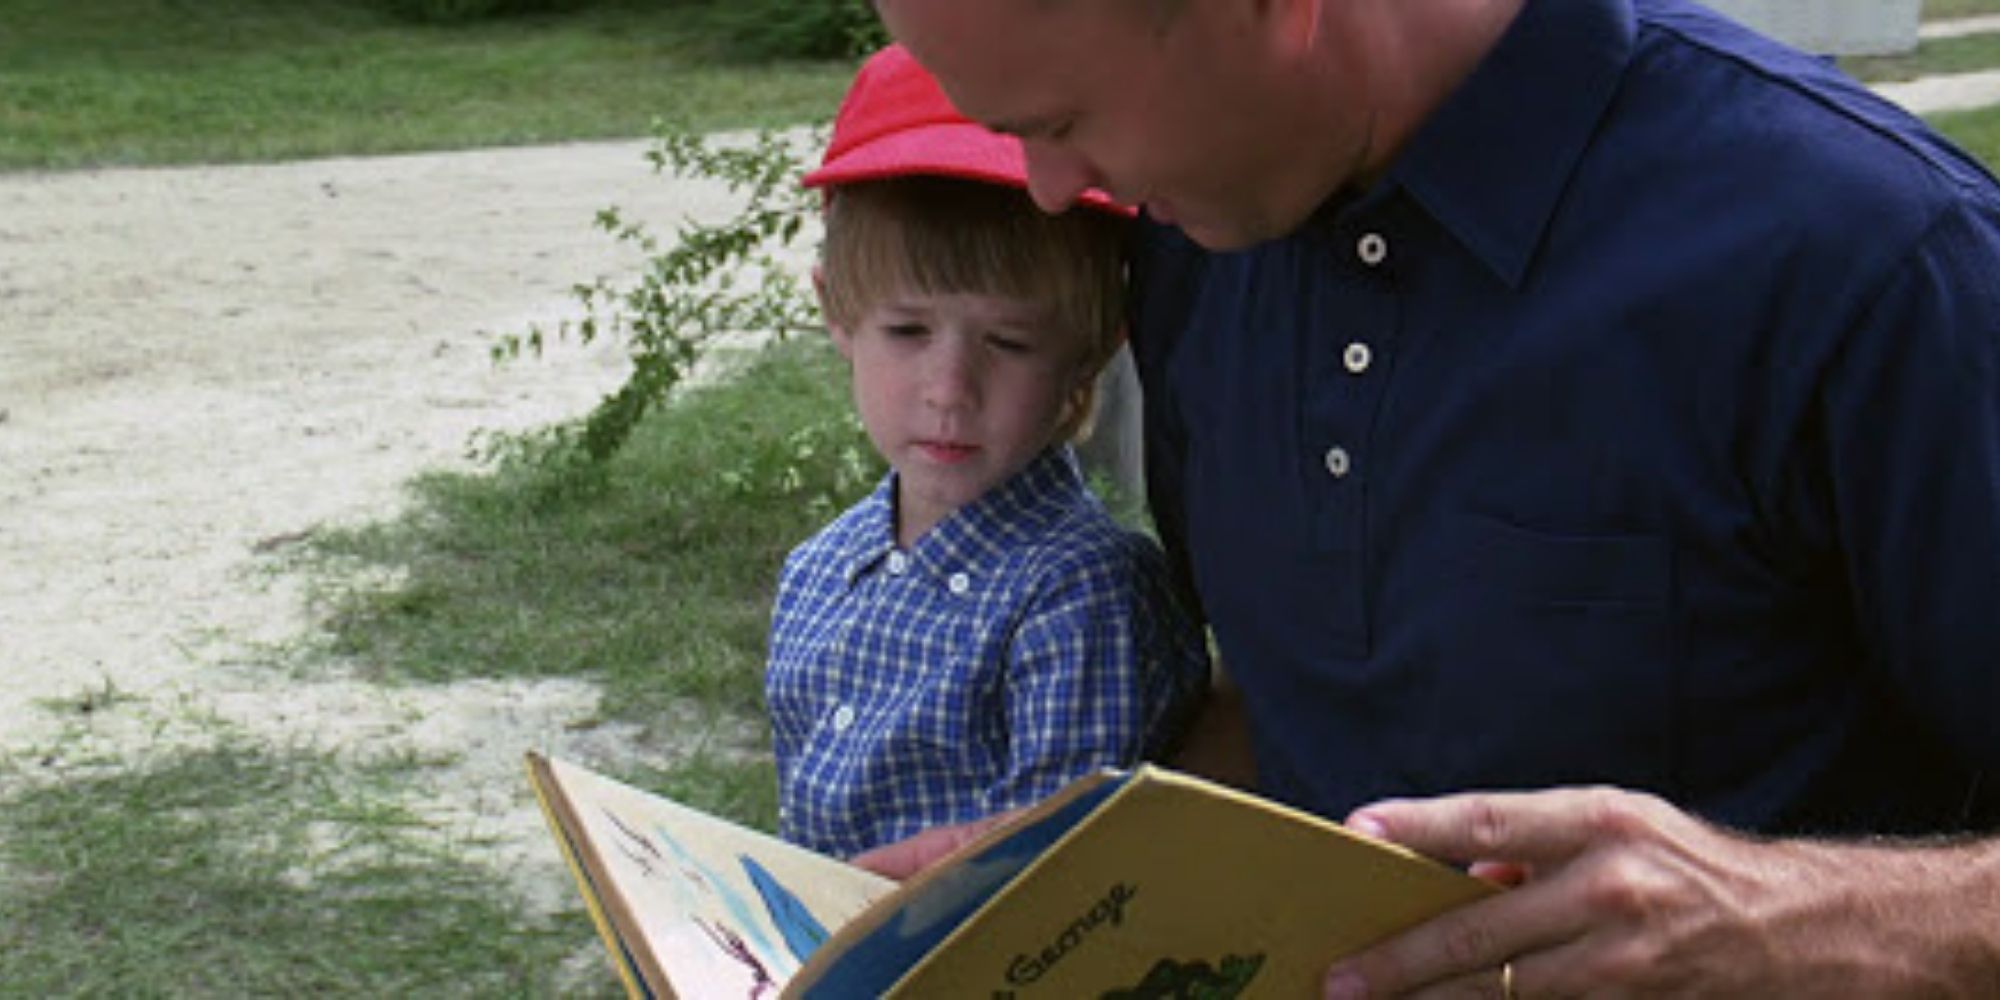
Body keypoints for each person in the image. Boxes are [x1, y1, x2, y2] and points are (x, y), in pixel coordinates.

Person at [863, 0, 2000, 994]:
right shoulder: (1200, 243)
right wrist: (1064, 874)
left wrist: (1798, 914)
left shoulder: (1875, 259)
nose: (1055, 195)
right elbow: (1297, 702)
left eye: (1058, 125)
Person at [763, 43, 1211, 860]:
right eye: (906, 331)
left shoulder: (1079, 599)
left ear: (1091, 349)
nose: (949, 389)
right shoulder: (819, 571)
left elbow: (1053, 896)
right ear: (837, 311)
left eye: (1008, 342)